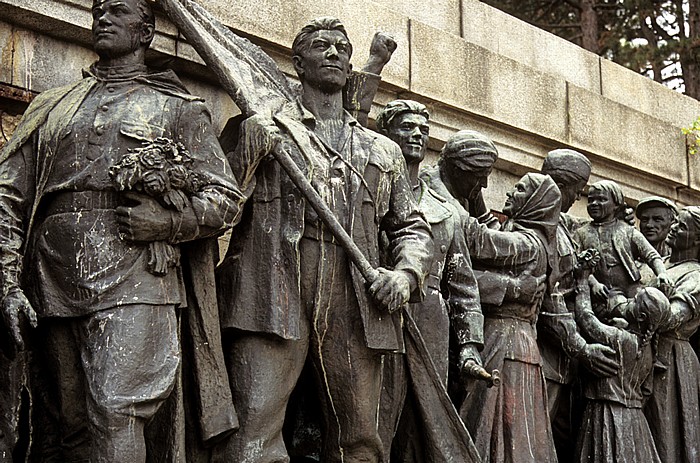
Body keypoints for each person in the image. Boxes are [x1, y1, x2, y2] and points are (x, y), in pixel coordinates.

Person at [0, 0, 247, 461]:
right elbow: (8, 194)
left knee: (117, 409)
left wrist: (170, 222)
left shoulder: (178, 108)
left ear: (146, 29)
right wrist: (6, 281)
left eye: (117, 10)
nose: (102, 18)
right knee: (66, 423)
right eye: (96, 10)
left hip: (137, 273)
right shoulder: (52, 106)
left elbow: (225, 199)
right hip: (52, 275)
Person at [215, 17, 432, 463]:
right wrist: (247, 155)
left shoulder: (380, 149)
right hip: (272, 289)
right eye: (321, 46)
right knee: (252, 431)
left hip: (354, 295)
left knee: (360, 440)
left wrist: (406, 275)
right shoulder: (260, 127)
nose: (334, 53)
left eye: (342, 47)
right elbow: (215, 208)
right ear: (297, 62)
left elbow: (411, 227)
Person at [375, 100, 482, 462]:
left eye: (423, 128)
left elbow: (463, 286)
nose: (417, 133)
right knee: (372, 412)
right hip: (375, 308)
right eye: (406, 126)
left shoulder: (448, 209)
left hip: (429, 321)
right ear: (385, 134)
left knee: (419, 421)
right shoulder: (368, 188)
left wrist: (469, 346)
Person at [458, 172, 560, 463]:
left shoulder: (528, 243)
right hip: (513, 341)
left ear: (536, 203)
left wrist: (448, 203)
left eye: (520, 190)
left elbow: (481, 241)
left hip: (507, 344)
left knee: (504, 431)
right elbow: (492, 230)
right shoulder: (526, 237)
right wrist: (475, 193)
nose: (510, 193)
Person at [537, 149, 619, 462]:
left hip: (564, 359)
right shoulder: (543, 228)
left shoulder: (562, 228)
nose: (578, 198)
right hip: (548, 355)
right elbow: (549, 300)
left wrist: (582, 273)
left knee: (559, 438)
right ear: (564, 186)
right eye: (578, 190)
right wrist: (582, 348)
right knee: (537, 433)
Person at [571, 273, 667, 463]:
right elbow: (646, 391)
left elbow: (586, 319)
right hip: (635, 422)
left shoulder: (620, 339)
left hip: (606, 413)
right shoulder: (648, 349)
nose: (629, 300)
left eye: (634, 300)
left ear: (640, 316)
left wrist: (582, 282)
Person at [644, 206, 700, 463]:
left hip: (672, 360)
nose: (674, 228)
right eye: (675, 223)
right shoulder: (660, 264)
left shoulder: (696, 275)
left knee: (666, 434)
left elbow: (672, 317)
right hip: (644, 355)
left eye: (682, 226)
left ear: (697, 240)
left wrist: (639, 302)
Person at [574, 180, 670, 308]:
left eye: (602, 199)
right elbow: (576, 263)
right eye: (590, 200)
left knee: (650, 303)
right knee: (621, 307)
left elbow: (652, 256)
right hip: (607, 292)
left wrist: (662, 273)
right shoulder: (581, 233)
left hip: (632, 287)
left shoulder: (628, 231)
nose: (594, 204)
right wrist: (594, 283)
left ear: (616, 205)